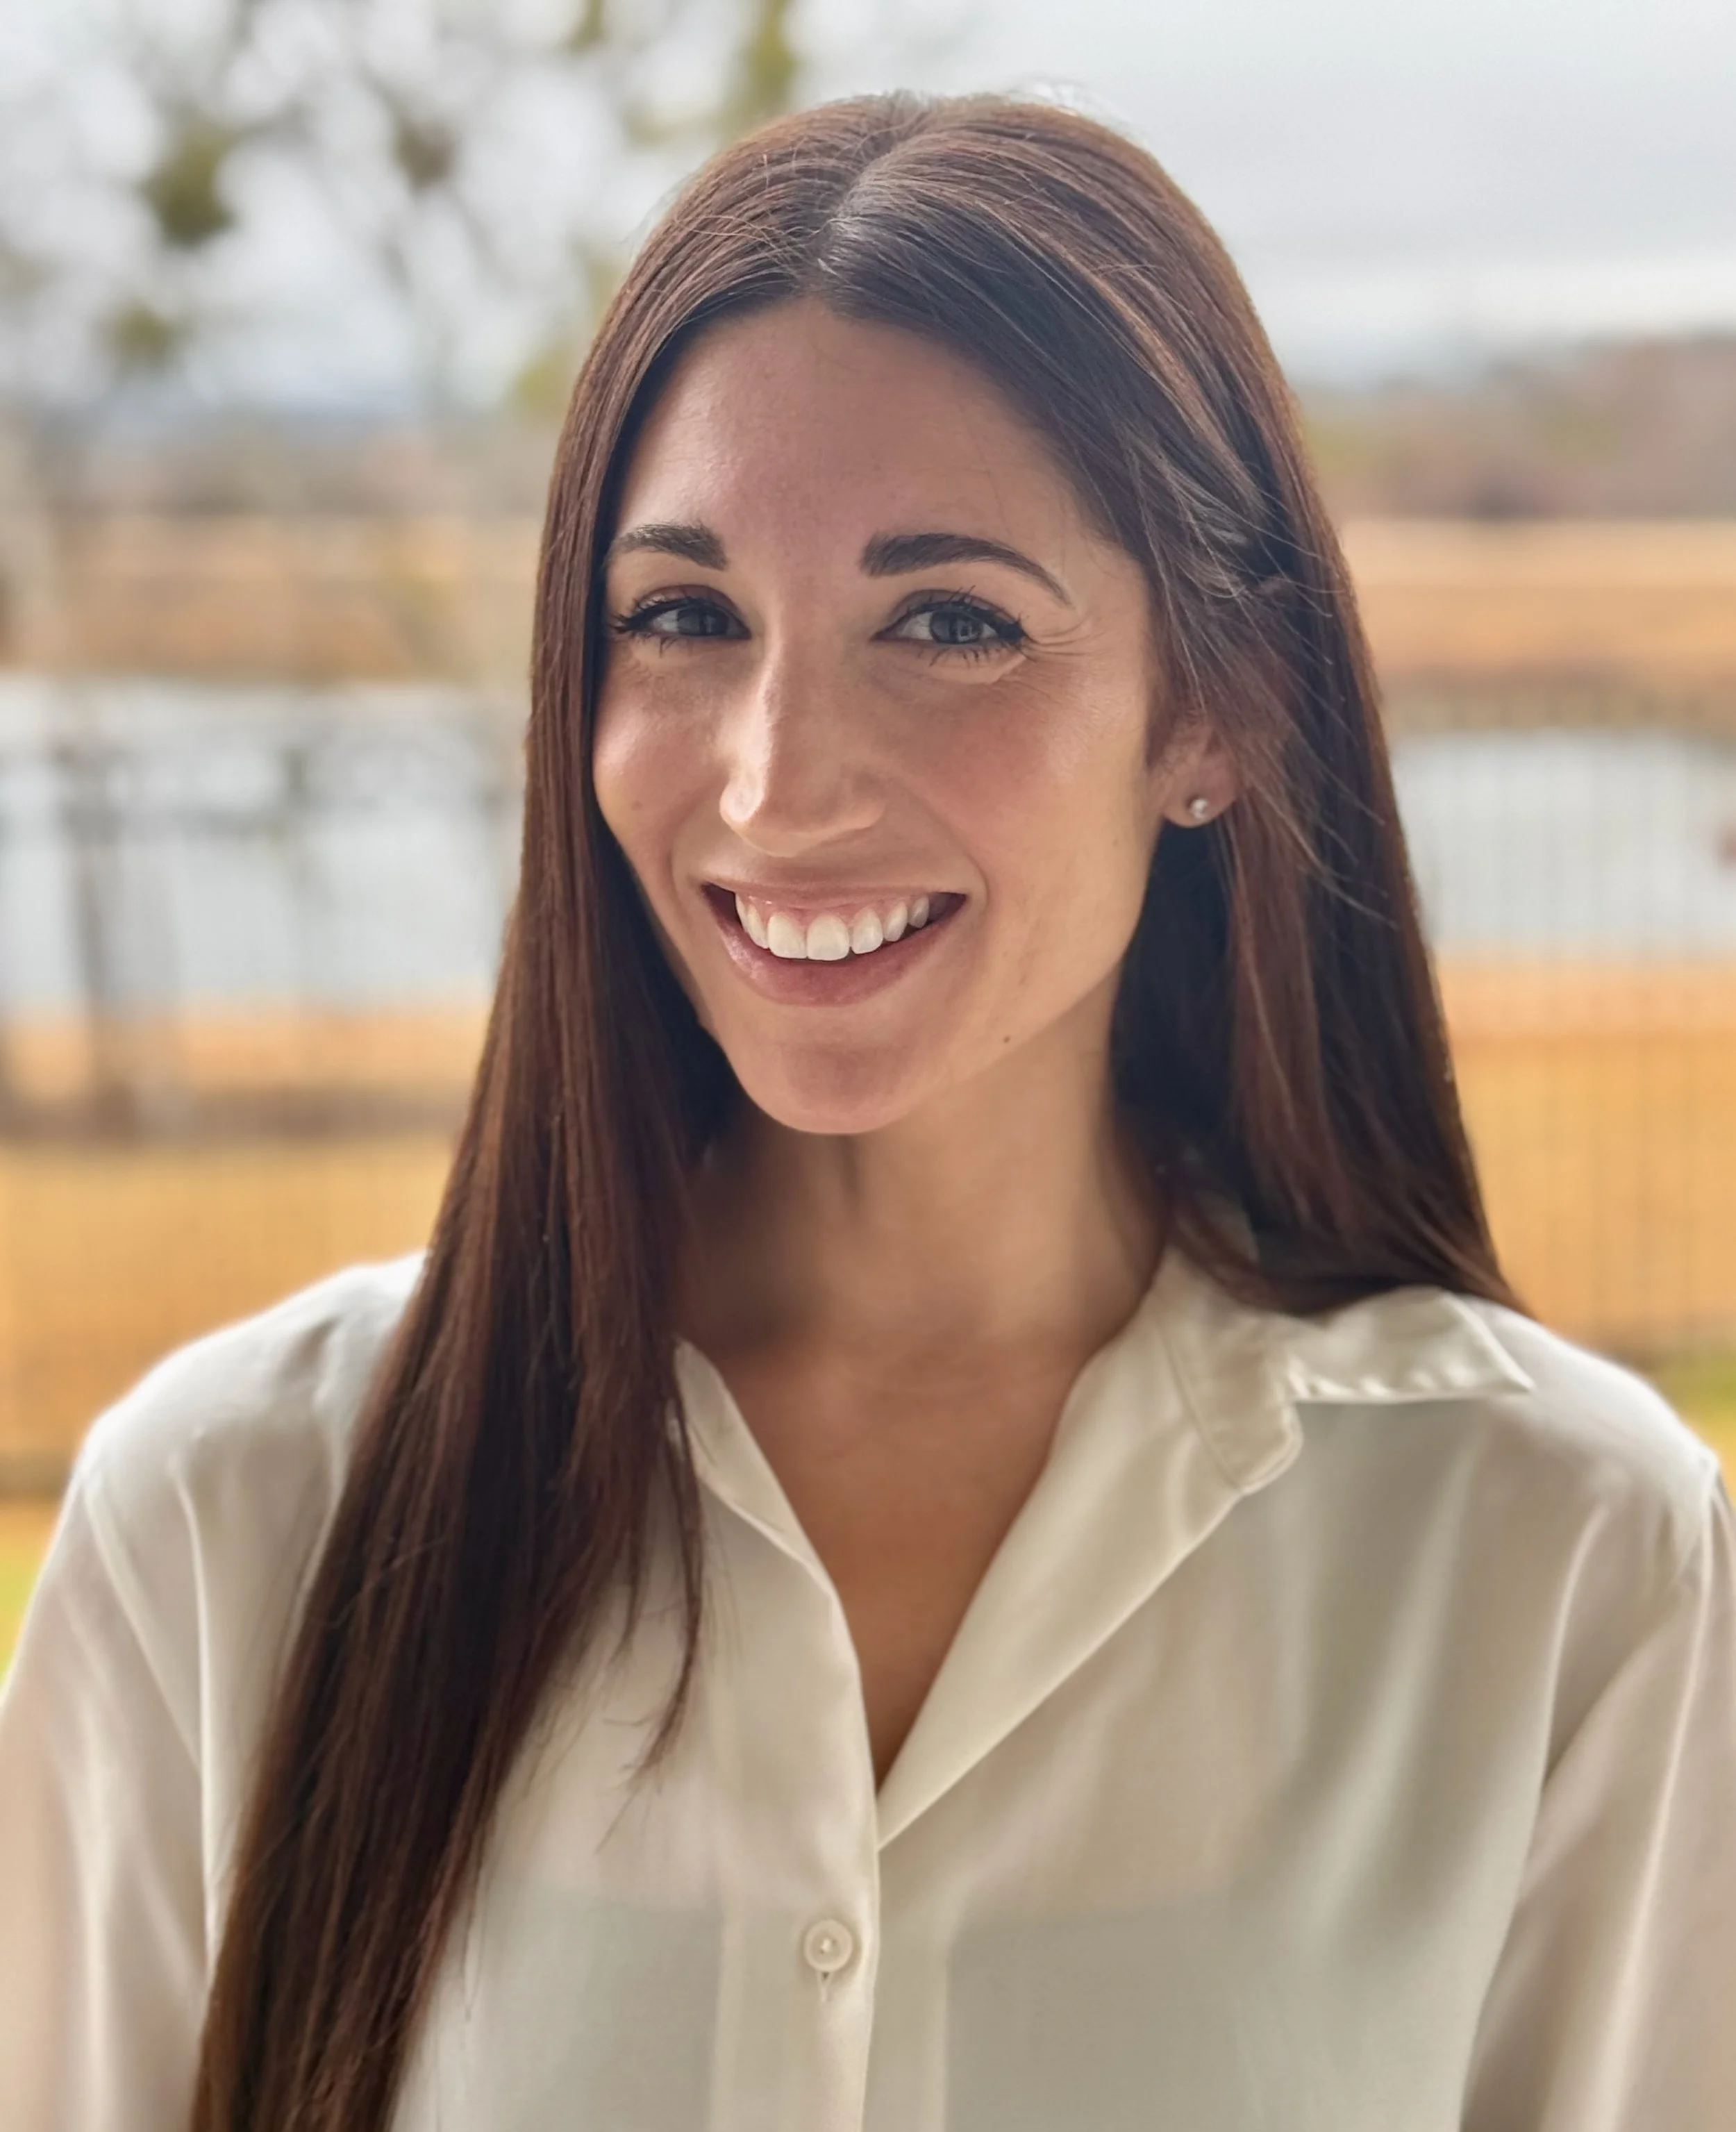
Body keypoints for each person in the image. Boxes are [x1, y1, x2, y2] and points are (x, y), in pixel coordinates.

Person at [1, 90, 1733, 2132]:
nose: (770, 780)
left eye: (948, 621)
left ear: (1213, 710)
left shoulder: (1562, 1560)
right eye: (683, 616)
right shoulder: (227, 1524)